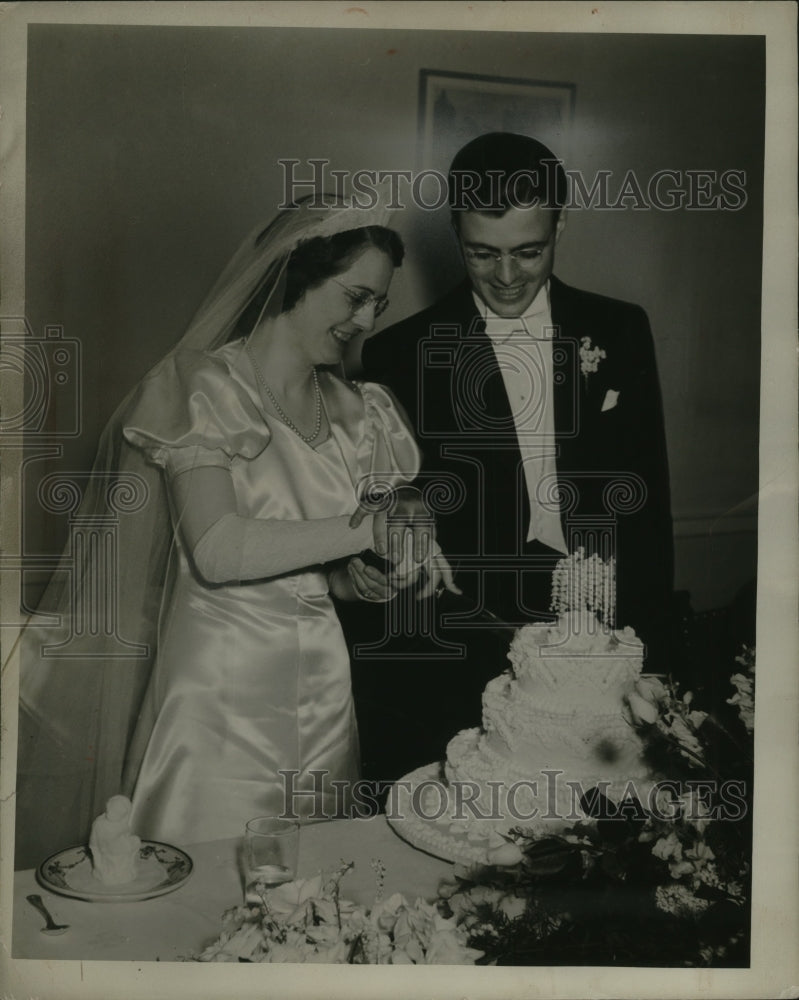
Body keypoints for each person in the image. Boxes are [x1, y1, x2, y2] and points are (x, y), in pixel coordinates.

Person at [15, 193, 456, 862]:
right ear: (295, 277)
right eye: (354, 296)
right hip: (220, 696)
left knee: (311, 892)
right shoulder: (203, 387)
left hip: (326, 693)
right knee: (208, 885)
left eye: (379, 305)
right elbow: (218, 550)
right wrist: (367, 527)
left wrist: (362, 575)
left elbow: (327, 567)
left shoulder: (358, 410)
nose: (365, 320)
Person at [349, 132, 674, 784]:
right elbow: (382, 516)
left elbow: (647, 501)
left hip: (599, 644)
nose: (505, 276)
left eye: (528, 252)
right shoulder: (398, 355)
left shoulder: (619, 329)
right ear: (454, 233)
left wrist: (654, 654)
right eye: (481, 253)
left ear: (560, 224)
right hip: (462, 653)